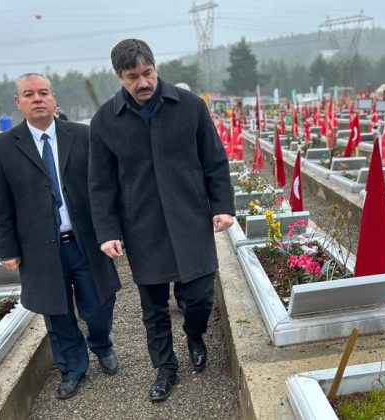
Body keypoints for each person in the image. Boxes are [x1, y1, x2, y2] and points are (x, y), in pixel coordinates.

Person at [88, 39, 234, 403]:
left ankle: (196, 335)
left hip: (190, 216)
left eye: (147, 73)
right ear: (119, 77)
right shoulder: (106, 120)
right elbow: (100, 183)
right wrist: (108, 231)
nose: (143, 83)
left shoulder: (189, 107)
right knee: (153, 306)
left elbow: (214, 160)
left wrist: (223, 205)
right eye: (132, 76)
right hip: (143, 226)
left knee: (199, 295)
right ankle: (165, 368)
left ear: (155, 67)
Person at [0, 73, 121, 400]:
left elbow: (105, 188)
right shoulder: (2, 147)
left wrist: (112, 230)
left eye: (43, 92)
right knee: (56, 312)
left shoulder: (83, 136)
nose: (37, 99)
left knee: (100, 303)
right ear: (18, 103)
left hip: (86, 241)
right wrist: (6, 248)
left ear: (53, 98)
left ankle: (101, 343)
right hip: (39, 250)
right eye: (28, 94)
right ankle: (72, 367)